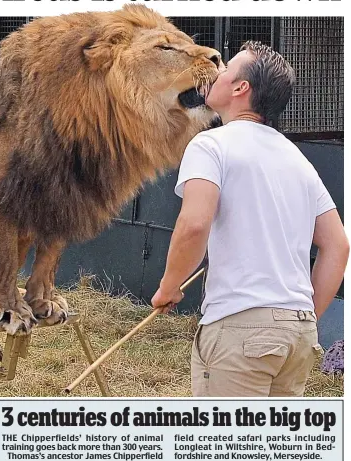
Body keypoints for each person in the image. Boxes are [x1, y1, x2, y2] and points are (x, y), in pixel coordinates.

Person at [151, 41, 349, 397]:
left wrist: (169, 285)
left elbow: (195, 224)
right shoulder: (297, 159)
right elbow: (338, 245)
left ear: (241, 88)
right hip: (298, 335)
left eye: (225, 69)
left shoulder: (210, 145)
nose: (217, 71)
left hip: (240, 327)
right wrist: (302, 315)